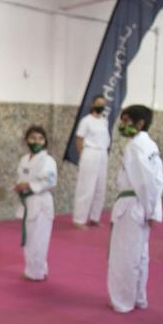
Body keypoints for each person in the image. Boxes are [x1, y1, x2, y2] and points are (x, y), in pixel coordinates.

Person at [107, 105, 163, 314]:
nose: (122, 125)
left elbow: (145, 182)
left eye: (126, 121)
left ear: (140, 123)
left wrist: (150, 210)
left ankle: (123, 301)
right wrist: (153, 210)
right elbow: (157, 182)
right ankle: (137, 297)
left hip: (133, 205)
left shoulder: (135, 146)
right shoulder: (150, 145)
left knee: (125, 256)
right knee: (139, 255)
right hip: (140, 205)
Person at [14, 125, 57, 281]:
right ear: (26, 140)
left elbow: (51, 181)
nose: (36, 141)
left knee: (39, 239)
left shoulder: (47, 160)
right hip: (28, 202)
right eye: (33, 138)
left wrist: (29, 186)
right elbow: (22, 177)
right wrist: (19, 186)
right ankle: (35, 268)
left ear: (45, 141)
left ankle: (37, 272)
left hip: (41, 202)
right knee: (31, 239)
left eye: (40, 138)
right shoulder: (24, 159)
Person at [72, 95, 111, 229]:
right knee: (86, 187)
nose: (101, 106)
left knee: (100, 187)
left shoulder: (104, 121)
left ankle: (95, 218)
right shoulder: (86, 121)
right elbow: (79, 139)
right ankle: (79, 219)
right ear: (93, 104)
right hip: (90, 152)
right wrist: (82, 155)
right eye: (99, 103)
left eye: (103, 104)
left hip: (103, 154)